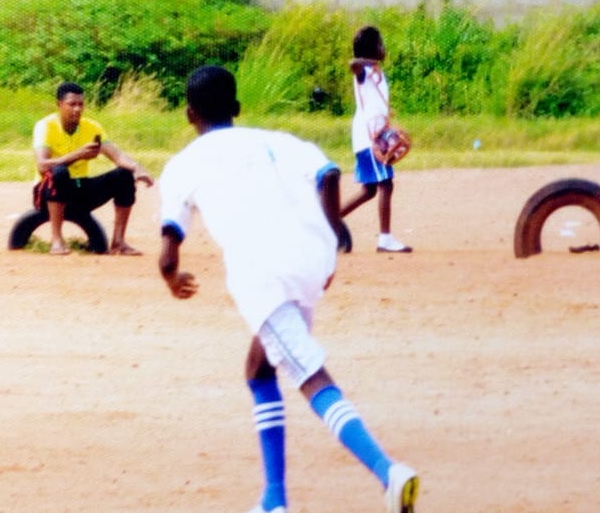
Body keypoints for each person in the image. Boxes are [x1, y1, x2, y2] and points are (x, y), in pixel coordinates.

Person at [158, 65, 418, 513]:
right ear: (237, 108)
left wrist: (171, 276)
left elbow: (168, 247)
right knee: (259, 369)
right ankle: (273, 499)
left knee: (307, 374)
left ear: (188, 114)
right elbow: (329, 174)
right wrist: (331, 239)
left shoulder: (183, 164)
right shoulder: (276, 141)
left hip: (263, 274)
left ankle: (387, 472)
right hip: (312, 259)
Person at [31, 81, 154, 255]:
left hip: (79, 189)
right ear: (59, 104)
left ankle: (118, 242)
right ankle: (57, 240)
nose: (77, 109)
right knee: (58, 172)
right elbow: (42, 165)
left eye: (81, 104)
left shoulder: (92, 127)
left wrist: (137, 168)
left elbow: (117, 156)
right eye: (72, 104)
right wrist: (78, 154)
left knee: (124, 175)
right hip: (47, 193)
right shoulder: (45, 126)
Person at [338, 26, 411, 253]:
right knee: (386, 184)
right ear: (372, 50)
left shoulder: (376, 71)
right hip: (369, 140)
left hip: (373, 138)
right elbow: (353, 65)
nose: (384, 48)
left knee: (370, 190)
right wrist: (364, 62)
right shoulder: (364, 72)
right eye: (380, 44)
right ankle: (385, 239)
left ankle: (330, 220)